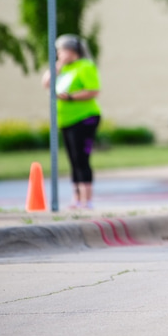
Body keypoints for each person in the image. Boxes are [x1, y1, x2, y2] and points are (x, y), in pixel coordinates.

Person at [41, 34, 102, 209]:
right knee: (72, 159)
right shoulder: (63, 68)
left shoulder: (85, 66)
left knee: (81, 157)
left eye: (61, 50)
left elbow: (93, 90)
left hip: (84, 118)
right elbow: (46, 83)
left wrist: (70, 97)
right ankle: (76, 198)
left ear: (72, 51)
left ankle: (86, 199)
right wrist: (57, 66)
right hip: (66, 119)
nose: (58, 54)